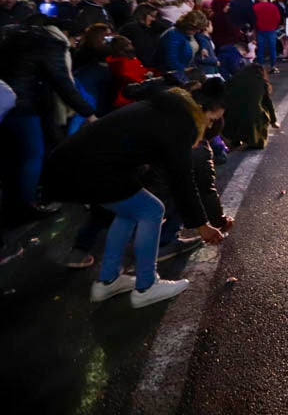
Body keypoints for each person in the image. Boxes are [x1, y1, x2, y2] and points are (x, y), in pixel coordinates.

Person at [42, 78, 227, 308]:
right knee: (151, 210)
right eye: (212, 119)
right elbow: (181, 179)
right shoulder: (183, 122)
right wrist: (202, 224)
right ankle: (146, 286)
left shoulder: (172, 102)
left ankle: (107, 281)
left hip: (73, 164)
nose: (210, 126)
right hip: (88, 169)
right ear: (203, 109)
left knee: (130, 211)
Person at [0, 14, 97, 224]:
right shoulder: (51, 44)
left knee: (9, 156)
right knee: (31, 156)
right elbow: (63, 83)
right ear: (68, 35)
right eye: (76, 40)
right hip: (23, 106)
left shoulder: (11, 34)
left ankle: (10, 201)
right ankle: (21, 208)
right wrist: (89, 113)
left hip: (4, 101)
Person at [221, 63, 278, 150]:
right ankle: (254, 139)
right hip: (252, 120)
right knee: (259, 108)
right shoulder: (260, 82)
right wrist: (273, 121)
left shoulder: (233, 79)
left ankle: (235, 139)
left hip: (231, 119)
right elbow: (268, 103)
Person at [155, 9, 208, 74]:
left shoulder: (189, 33)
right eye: (196, 29)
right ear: (188, 25)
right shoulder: (173, 35)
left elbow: (201, 37)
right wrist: (188, 72)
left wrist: (203, 47)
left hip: (184, 71)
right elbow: (171, 62)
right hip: (172, 75)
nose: (198, 31)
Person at [119, 3, 161, 70]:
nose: (154, 20)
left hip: (150, 66)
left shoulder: (152, 29)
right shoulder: (130, 28)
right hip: (136, 66)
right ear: (142, 14)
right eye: (152, 16)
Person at [252, 0, 282, 73]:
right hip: (271, 29)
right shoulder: (273, 6)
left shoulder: (255, 7)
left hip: (260, 30)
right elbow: (277, 18)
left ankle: (260, 67)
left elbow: (253, 19)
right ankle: (273, 66)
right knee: (272, 49)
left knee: (260, 49)